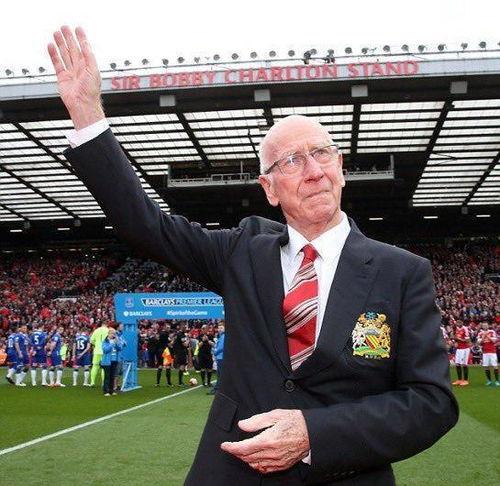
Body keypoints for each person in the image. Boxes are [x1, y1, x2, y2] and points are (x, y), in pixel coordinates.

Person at [49, 26, 458, 485]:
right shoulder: (243, 251)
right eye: (292, 161)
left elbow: (431, 403)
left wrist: (314, 434)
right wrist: (87, 113)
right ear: (269, 188)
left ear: (341, 168)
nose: (313, 170)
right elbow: (146, 226)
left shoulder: (402, 272)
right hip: (232, 473)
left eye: (322, 153)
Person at [101, 327, 122, 396]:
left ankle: (111, 391)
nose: (113, 335)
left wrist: (117, 342)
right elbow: (105, 350)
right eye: (112, 333)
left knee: (112, 376)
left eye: (114, 334)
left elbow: (120, 348)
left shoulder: (115, 340)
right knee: (107, 376)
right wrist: (112, 343)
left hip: (114, 360)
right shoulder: (105, 341)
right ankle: (106, 391)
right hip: (107, 361)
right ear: (108, 334)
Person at [476, 321, 499, 386]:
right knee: (486, 366)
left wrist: (487, 336)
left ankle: (497, 381)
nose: (485, 326)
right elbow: (478, 343)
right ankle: (489, 381)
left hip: (492, 351)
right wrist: (484, 336)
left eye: (486, 325)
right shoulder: (480, 333)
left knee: (495, 366)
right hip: (485, 352)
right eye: (484, 325)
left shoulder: (492, 331)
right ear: (482, 326)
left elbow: (494, 340)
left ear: (488, 326)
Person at [89, 321, 109, 386]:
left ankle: (92, 382)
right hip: (105, 351)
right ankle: (103, 383)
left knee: (95, 366)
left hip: (97, 351)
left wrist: (96, 344)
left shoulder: (96, 330)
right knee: (104, 367)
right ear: (106, 324)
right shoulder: (108, 330)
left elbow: (91, 340)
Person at [207, 323, 224, 395]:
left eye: (221, 328)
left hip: (221, 358)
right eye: (219, 328)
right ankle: (219, 388)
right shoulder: (221, 336)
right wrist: (213, 345)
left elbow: (220, 348)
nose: (219, 329)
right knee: (220, 374)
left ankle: (217, 389)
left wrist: (214, 352)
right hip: (221, 357)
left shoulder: (223, 336)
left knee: (220, 374)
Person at [452, 321, 471, 386]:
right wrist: (455, 341)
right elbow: (455, 338)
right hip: (459, 349)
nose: (458, 324)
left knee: (464, 364)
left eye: (459, 323)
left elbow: (468, 340)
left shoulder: (465, 329)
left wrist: (459, 339)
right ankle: (459, 380)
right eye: (457, 323)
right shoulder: (456, 329)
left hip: (465, 349)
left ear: (462, 323)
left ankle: (465, 380)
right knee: (457, 364)